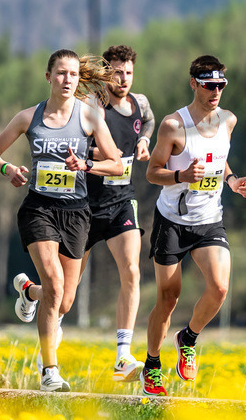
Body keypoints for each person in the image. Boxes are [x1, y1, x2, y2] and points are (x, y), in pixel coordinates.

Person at [0, 49, 123, 392]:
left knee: (64, 300)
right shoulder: (27, 117)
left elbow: (117, 165)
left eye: (73, 74)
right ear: (48, 77)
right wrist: (8, 169)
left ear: (79, 78)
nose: (67, 79)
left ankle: (29, 292)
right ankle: (49, 371)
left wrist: (86, 165)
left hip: (76, 213)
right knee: (56, 286)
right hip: (39, 209)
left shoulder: (89, 117)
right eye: (61, 73)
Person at [141, 55, 246, 397]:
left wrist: (232, 181)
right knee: (168, 298)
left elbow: (220, 157)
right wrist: (181, 176)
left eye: (221, 85)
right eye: (209, 85)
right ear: (194, 84)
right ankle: (152, 364)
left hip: (209, 221)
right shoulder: (173, 125)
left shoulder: (228, 120)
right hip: (172, 223)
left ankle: (187, 338)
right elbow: (152, 173)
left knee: (219, 287)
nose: (215, 91)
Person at [80, 45, 154, 382]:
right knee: (65, 291)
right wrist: (97, 152)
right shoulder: (92, 105)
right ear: (106, 73)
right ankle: (32, 292)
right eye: (117, 73)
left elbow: (148, 121)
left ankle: (123, 357)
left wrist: (144, 141)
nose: (123, 79)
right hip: (84, 203)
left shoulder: (140, 104)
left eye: (129, 73)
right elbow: (72, 140)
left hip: (122, 200)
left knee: (132, 272)